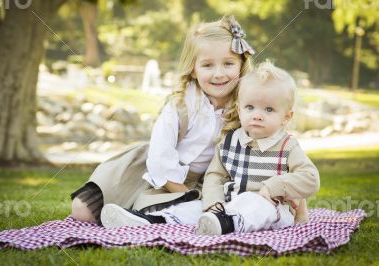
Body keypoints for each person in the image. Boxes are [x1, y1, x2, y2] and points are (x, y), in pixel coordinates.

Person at [70, 15, 255, 227]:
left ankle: (141, 219)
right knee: (82, 211)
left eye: (228, 64)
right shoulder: (180, 106)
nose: (219, 74)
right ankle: (138, 213)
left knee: (204, 211)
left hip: (207, 182)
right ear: (193, 69)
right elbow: (160, 159)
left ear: (241, 65)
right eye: (207, 65)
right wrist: (185, 194)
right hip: (156, 172)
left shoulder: (247, 106)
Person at [196, 61, 320, 236]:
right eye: (250, 107)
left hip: (271, 209)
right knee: (195, 204)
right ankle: (160, 218)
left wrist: (273, 187)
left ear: (286, 117)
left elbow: (311, 178)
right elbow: (215, 176)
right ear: (239, 110)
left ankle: (226, 223)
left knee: (255, 205)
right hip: (230, 204)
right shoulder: (229, 142)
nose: (257, 115)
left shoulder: (287, 146)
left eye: (269, 109)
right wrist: (213, 202)